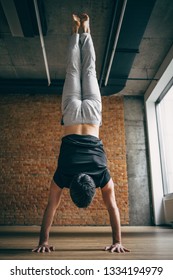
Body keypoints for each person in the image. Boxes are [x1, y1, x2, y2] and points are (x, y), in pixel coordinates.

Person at [32, 14, 129, 254]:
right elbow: (51, 208)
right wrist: (42, 241)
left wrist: (118, 241)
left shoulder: (102, 176)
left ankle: (85, 29)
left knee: (89, 70)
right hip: (72, 116)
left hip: (93, 118)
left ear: (90, 187)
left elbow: (113, 208)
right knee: (73, 69)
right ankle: (76, 30)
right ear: (72, 187)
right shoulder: (63, 175)